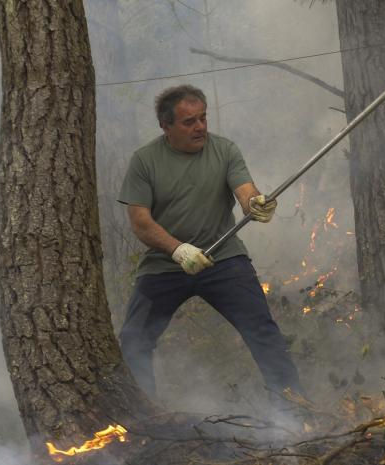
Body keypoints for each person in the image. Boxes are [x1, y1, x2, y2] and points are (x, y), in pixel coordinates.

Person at [117, 84, 304, 403]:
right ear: (166, 126)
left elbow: (244, 189)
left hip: (224, 259)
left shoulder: (225, 150)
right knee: (134, 340)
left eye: (203, 118)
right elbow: (141, 223)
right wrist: (178, 250)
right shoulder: (144, 161)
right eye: (189, 122)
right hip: (165, 265)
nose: (200, 127)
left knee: (263, 331)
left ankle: (294, 407)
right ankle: (143, 420)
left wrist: (255, 203)